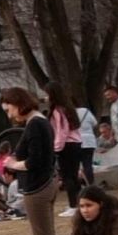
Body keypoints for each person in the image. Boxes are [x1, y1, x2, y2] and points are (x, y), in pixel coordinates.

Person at [1, 87, 66, 235]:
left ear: (18, 104)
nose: (9, 114)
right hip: (44, 184)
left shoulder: (36, 124)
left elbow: (35, 161)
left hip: (38, 187)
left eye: (9, 109)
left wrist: (14, 164)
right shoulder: (39, 122)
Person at [44, 81, 82, 218]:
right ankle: (78, 203)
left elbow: (62, 130)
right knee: (73, 176)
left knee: (68, 176)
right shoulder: (67, 108)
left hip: (66, 145)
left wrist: (56, 147)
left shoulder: (57, 110)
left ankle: (73, 205)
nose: (46, 97)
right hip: (75, 143)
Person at [77, 106, 99, 185]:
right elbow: (95, 123)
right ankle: (91, 183)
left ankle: (82, 183)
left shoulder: (70, 113)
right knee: (88, 164)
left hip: (77, 141)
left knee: (77, 165)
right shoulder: (86, 111)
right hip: (89, 141)